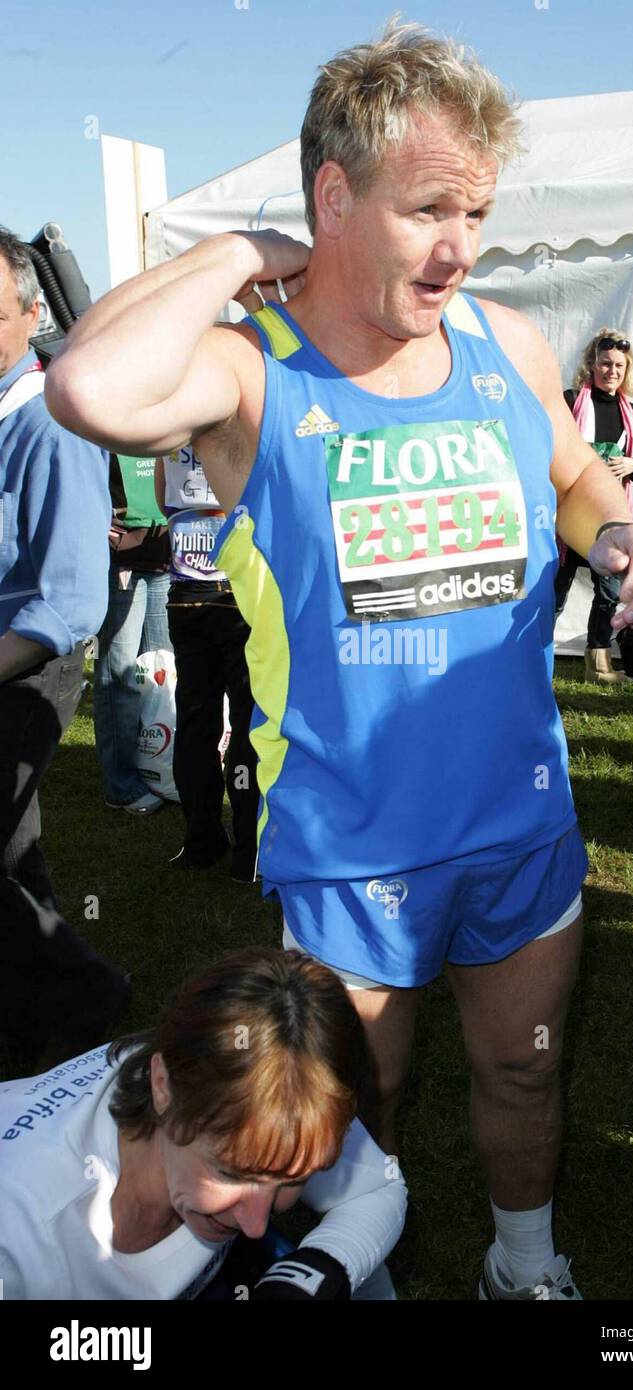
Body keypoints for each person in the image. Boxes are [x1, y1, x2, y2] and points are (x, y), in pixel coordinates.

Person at [46, 21, 633, 1301]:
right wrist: (234, 252)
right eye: (428, 207)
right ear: (333, 196)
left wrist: (618, 529)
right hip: (353, 850)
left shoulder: (506, 346)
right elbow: (88, 389)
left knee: (524, 1068)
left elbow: (569, 467)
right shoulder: (250, 368)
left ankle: (525, 1265)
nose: (460, 245)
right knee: (353, 1108)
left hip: (520, 820)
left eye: (478, 210)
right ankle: (341, 1283)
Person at [0, 947, 406, 1300]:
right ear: (162, 1087)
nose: (255, 1223)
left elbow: (378, 1188)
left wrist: (321, 1268)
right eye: (231, 1172)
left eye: (291, 1179)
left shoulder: (264, 1085)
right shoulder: (20, 1236)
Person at [0, 227, 129, 1068]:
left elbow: (73, 599)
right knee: (13, 860)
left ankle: (88, 1001)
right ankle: (38, 1029)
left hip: (26, 672)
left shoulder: (49, 422)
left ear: (30, 310)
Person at [154, 444, 258, 879]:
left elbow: (163, 502)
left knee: (197, 721)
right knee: (247, 723)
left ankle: (202, 840)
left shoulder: (170, 433)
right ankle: (247, 850)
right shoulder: (239, 428)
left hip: (187, 596)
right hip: (237, 595)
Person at [555, 329, 633, 683]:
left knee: (608, 593)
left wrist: (632, 465)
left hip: (608, 521)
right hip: (569, 516)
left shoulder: (630, 412)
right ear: (592, 364)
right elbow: (553, 451)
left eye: (619, 365)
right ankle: (532, 659)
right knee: (554, 593)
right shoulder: (571, 399)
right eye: (605, 363)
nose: (612, 371)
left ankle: (599, 665)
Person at [93, 451, 172, 814]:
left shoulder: (170, 413)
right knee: (119, 675)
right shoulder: (103, 420)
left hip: (168, 556)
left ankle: (161, 769)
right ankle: (121, 784)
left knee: (163, 671)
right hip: (121, 561)